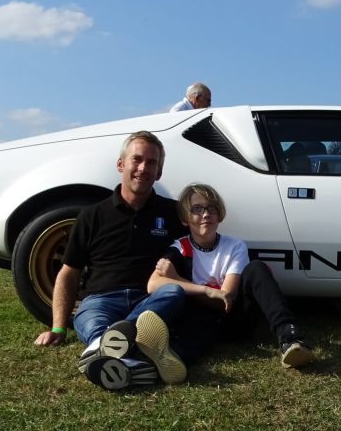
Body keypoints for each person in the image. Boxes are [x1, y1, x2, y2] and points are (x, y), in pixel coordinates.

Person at [33, 131, 190, 391]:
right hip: (100, 300)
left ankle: (107, 348)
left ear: (159, 172)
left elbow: (193, 254)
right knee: (91, 320)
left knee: (173, 292)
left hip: (149, 300)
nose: (143, 168)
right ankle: (121, 353)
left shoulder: (173, 214)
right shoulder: (91, 215)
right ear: (121, 164)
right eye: (136, 159)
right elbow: (68, 273)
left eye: (152, 163)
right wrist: (58, 328)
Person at [150, 183, 313, 370]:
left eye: (211, 208)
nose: (205, 214)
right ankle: (167, 359)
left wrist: (178, 280)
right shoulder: (179, 247)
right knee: (192, 318)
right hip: (200, 320)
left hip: (234, 321)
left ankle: (290, 337)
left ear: (219, 214)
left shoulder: (235, 246)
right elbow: (153, 284)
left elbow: (225, 299)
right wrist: (205, 291)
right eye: (197, 209)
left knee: (256, 268)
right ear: (185, 218)